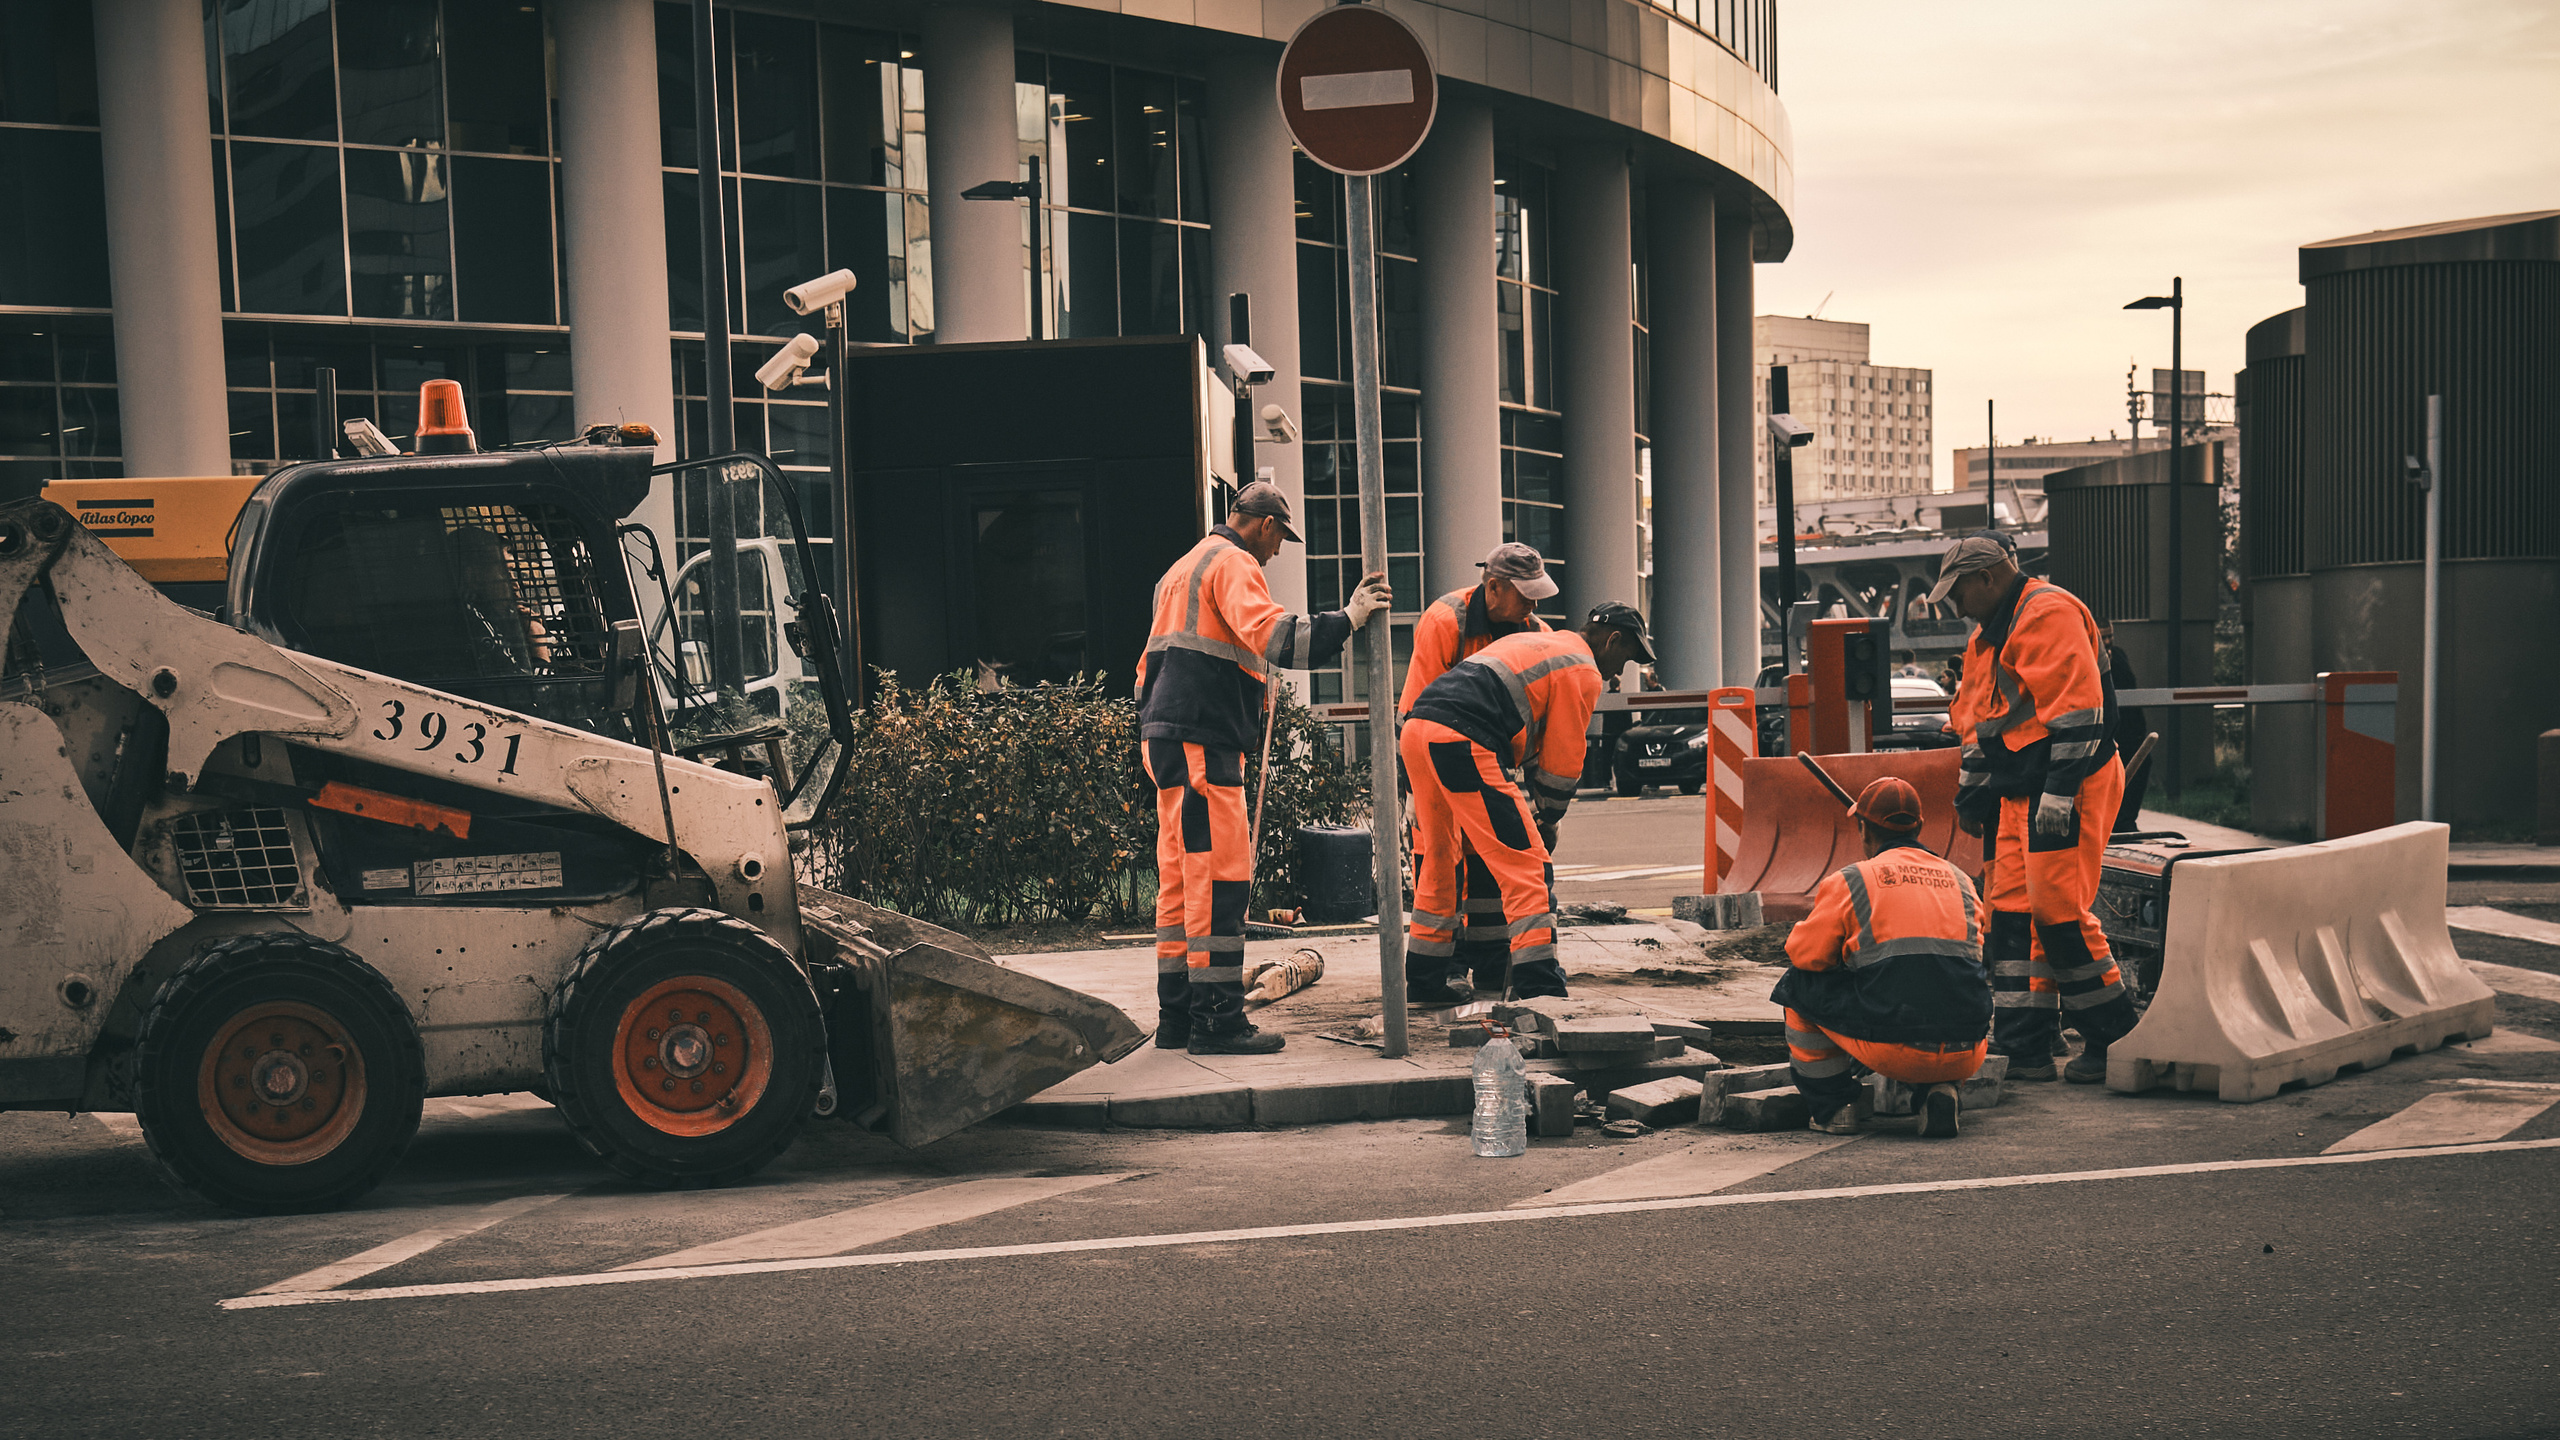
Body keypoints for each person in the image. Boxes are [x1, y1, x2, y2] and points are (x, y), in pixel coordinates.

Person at [1136, 481, 1392, 1055]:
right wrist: (1348, 617)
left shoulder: (1179, 571)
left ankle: (1177, 1018)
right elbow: (1279, 640)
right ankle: (1217, 1020)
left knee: (1180, 879)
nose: (1277, 554)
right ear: (1267, 526)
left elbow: (1148, 666)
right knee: (1220, 878)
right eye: (1281, 541)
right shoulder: (1235, 563)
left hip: (1167, 736)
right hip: (1203, 738)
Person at [1929, 533, 2140, 1084]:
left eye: (1958, 593)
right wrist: (1972, 794)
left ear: (1987, 579)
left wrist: (2059, 792)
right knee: (2014, 919)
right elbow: (1979, 726)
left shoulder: (2046, 613)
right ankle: (2025, 1046)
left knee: (2060, 914)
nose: (1955, 606)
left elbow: (2079, 711)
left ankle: (2116, 1038)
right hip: (2025, 790)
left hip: (2067, 785)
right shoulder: (1987, 636)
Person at [1401, 604, 1652, 1000]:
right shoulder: (1583, 670)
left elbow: (1529, 732)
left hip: (1419, 731)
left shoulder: (1538, 643)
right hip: (1462, 740)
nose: (1619, 671)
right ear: (1612, 640)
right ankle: (1539, 983)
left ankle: (1424, 980)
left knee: (1440, 861)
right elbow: (1562, 764)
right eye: (1625, 658)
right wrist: (1548, 819)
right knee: (1527, 863)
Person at [1774, 776, 1994, 1138]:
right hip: (1968, 1046)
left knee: (1796, 986)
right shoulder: (1961, 880)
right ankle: (1939, 1090)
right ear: (1920, 826)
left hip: (1894, 1047)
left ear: (1863, 828)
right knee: (1942, 988)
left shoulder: (1852, 879)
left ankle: (1834, 1108)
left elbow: (1806, 956)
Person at [1395, 542, 1555, 1002]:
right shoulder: (1446, 620)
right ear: (1493, 588)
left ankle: (1487, 966)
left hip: (1485, 752)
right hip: (1433, 748)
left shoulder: (1531, 629)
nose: (1534, 605)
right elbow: (1423, 705)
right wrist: (1414, 784)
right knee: (1438, 856)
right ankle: (1443, 968)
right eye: (1526, 595)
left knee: (1489, 858)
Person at [2099, 622, 2152, 834]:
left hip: (2129, 726)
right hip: (2106, 729)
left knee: (2140, 766)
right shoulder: (2086, 658)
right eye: (2102, 637)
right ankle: (2115, 821)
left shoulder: (2118, 656)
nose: (2108, 641)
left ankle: (2126, 820)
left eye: (2110, 636)